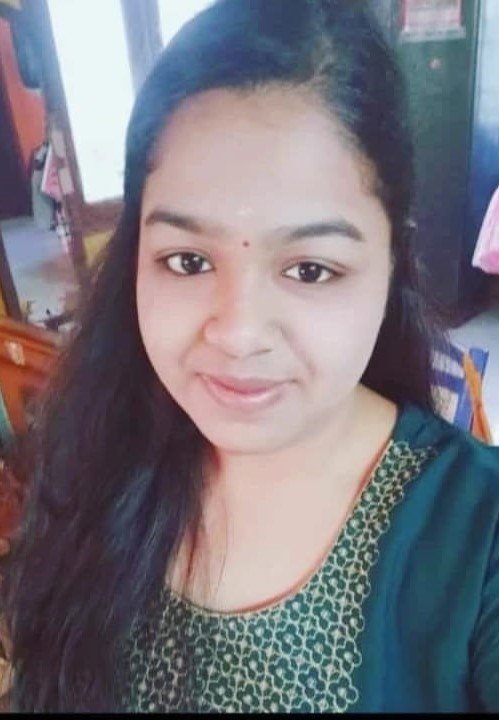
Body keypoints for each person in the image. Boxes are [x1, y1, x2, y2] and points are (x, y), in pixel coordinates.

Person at [2, 0, 499, 712]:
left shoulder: (477, 539)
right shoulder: (98, 441)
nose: (237, 333)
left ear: (392, 261)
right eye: (187, 260)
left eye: (309, 270)